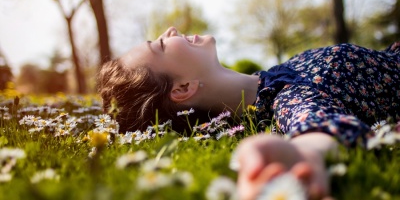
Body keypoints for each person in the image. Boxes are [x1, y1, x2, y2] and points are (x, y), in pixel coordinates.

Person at [97, 26, 400, 199]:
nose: (171, 30)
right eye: (161, 44)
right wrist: (301, 157)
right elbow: (317, 126)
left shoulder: (274, 77)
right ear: (183, 88)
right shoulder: (286, 98)